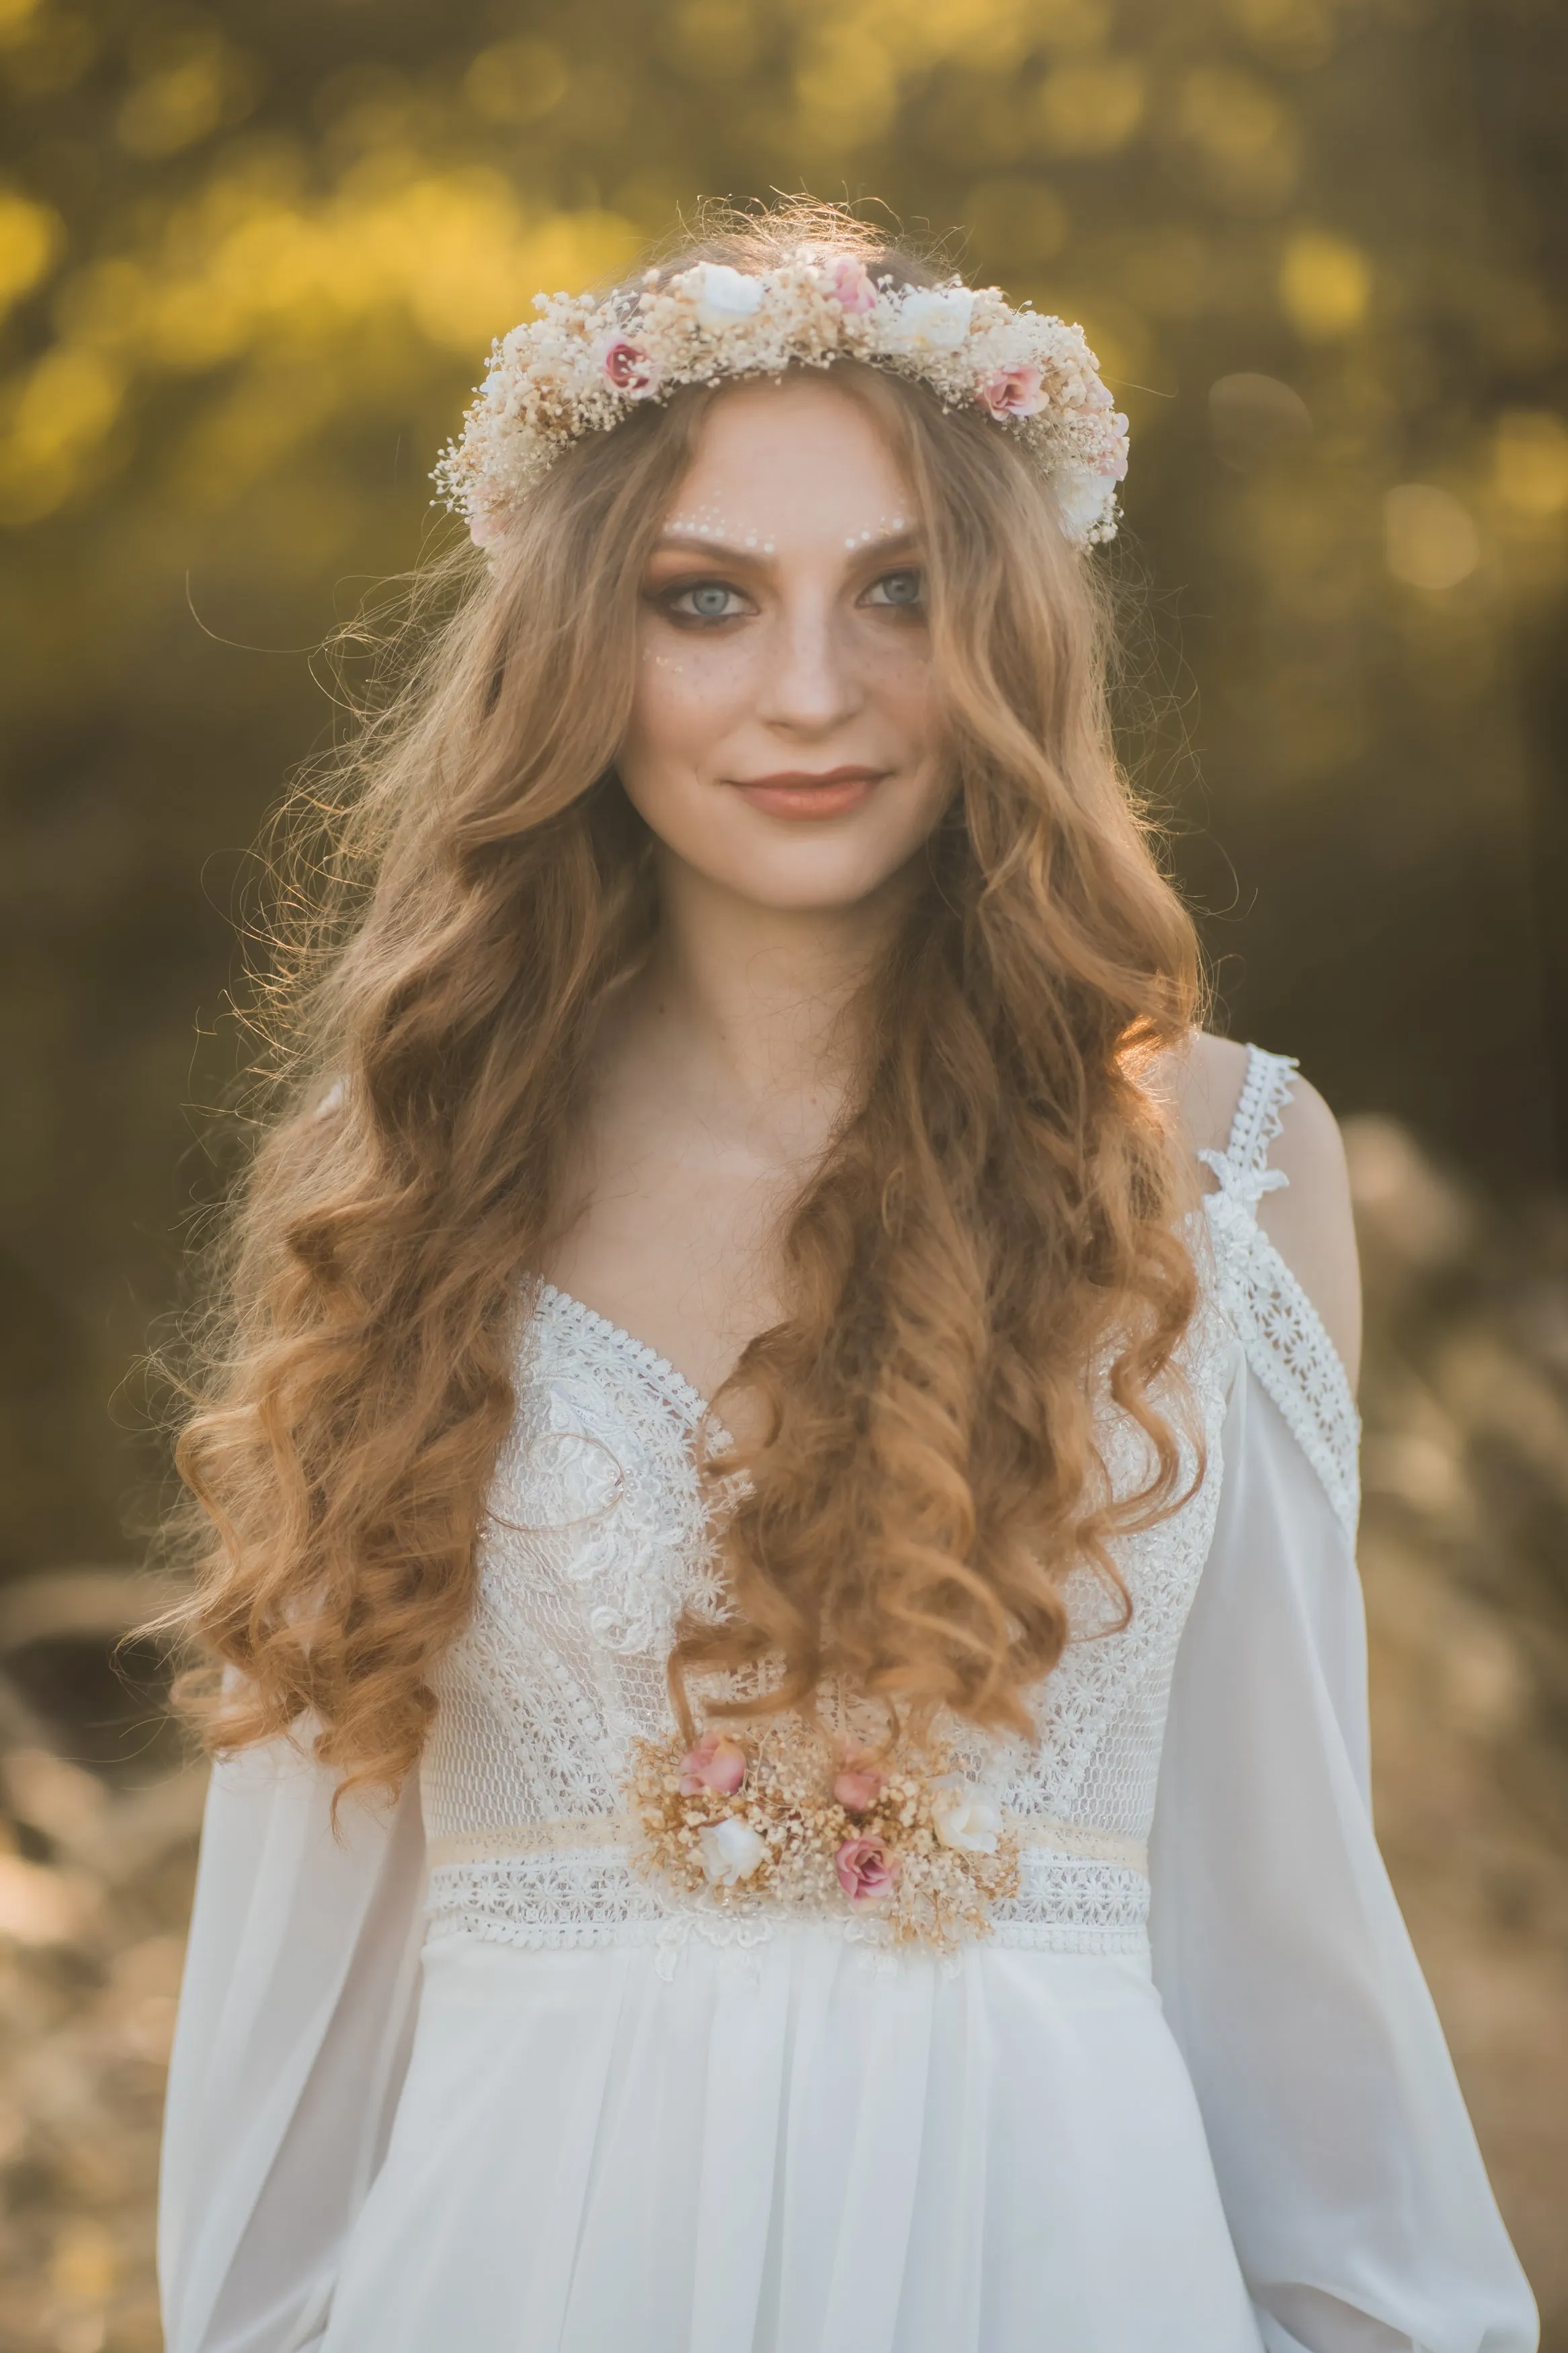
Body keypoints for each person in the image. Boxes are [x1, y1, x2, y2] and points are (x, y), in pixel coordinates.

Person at [155, 204, 1537, 2353]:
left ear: (1004, 631)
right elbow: (293, 1968)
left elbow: (1284, 1912)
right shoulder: (414, 1174)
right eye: (703, 601)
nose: (809, 691)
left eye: (897, 592)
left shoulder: (1225, 1173)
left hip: (1058, 2255)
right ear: (576, 655)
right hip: (524, 2273)